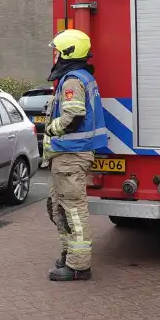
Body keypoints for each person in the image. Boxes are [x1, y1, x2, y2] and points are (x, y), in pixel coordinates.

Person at [44, 29, 106, 282]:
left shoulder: (72, 80)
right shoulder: (81, 77)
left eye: (57, 50)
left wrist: (52, 128)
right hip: (69, 155)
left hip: (71, 155)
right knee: (58, 207)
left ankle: (78, 266)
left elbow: (73, 114)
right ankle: (70, 255)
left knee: (72, 210)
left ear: (67, 52)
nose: (54, 55)